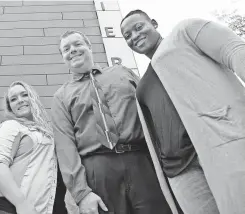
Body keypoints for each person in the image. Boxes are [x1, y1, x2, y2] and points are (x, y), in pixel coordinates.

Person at [120, 10, 245, 214]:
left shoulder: (185, 32)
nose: (134, 36)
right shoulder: (142, 85)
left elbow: (235, 51)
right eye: (127, 36)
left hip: (220, 145)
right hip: (179, 170)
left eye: (138, 27)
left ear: (154, 23)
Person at [51, 30, 173, 214]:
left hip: (140, 162)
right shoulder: (61, 96)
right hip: (97, 169)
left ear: (89, 47)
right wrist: (81, 193)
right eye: (66, 49)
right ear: (63, 58)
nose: (72, 50)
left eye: (77, 44)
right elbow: (65, 146)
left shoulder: (122, 73)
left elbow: (152, 110)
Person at [0, 81, 67, 214]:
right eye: (13, 99)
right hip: (18, 208)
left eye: (24, 95)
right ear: (10, 107)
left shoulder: (45, 131)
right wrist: (21, 203)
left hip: (49, 205)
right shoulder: (11, 126)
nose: (20, 100)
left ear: (33, 97)